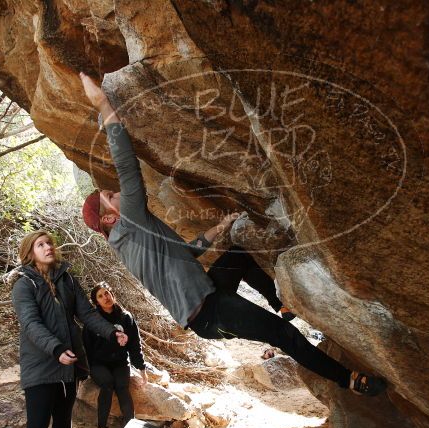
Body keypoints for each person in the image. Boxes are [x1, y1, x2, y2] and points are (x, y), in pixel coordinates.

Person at [78, 72, 383, 397]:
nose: (118, 193)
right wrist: (103, 103)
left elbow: (185, 253)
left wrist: (218, 230)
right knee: (282, 335)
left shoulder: (133, 239)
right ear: (110, 217)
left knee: (240, 254)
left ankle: (280, 303)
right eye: (111, 195)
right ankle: (349, 380)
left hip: (209, 294)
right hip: (209, 314)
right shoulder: (130, 224)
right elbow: (127, 166)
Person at [10, 230, 129, 428]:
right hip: (41, 364)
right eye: (40, 244)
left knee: (63, 420)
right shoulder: (24, 285)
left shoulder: (67, 279)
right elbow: (30, 324)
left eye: (49, 242)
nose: (48, 247)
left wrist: (112, 331)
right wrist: (55, 349)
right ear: (30, 252)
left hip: (68, 364)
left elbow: (86, 313)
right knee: (38, 425)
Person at [83, 281, 147, 428]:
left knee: (122, 386)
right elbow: (86, 346)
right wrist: (85, 369)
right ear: (96, 301)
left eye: (107, 293)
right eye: (100, 296)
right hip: (99, 363)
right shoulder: (93, 320)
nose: (105, 298)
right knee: (107, 384)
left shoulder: (125, 317)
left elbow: (134, 345)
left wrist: (141, 368)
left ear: (112, 295)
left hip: (119, 362)